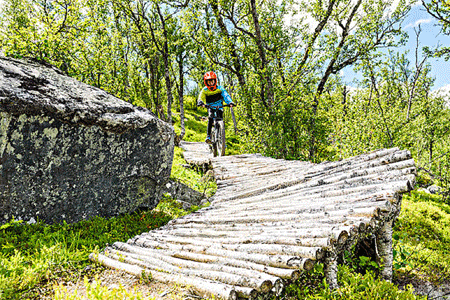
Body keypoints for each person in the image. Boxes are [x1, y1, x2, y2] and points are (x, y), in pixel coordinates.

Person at [197, 71, 235, 144]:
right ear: (206, 82)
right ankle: (208, 136)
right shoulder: (205, 90)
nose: (211, 83)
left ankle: (222, 141)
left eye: (212, 81)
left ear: (215, 81)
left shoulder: (220, 88)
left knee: (220, 120)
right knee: (210, 118)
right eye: (209, 82)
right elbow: (200, 97)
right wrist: (200, 102)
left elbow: (226, 95)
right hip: (210, 107)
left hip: (219, 106)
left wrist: (230, 102)